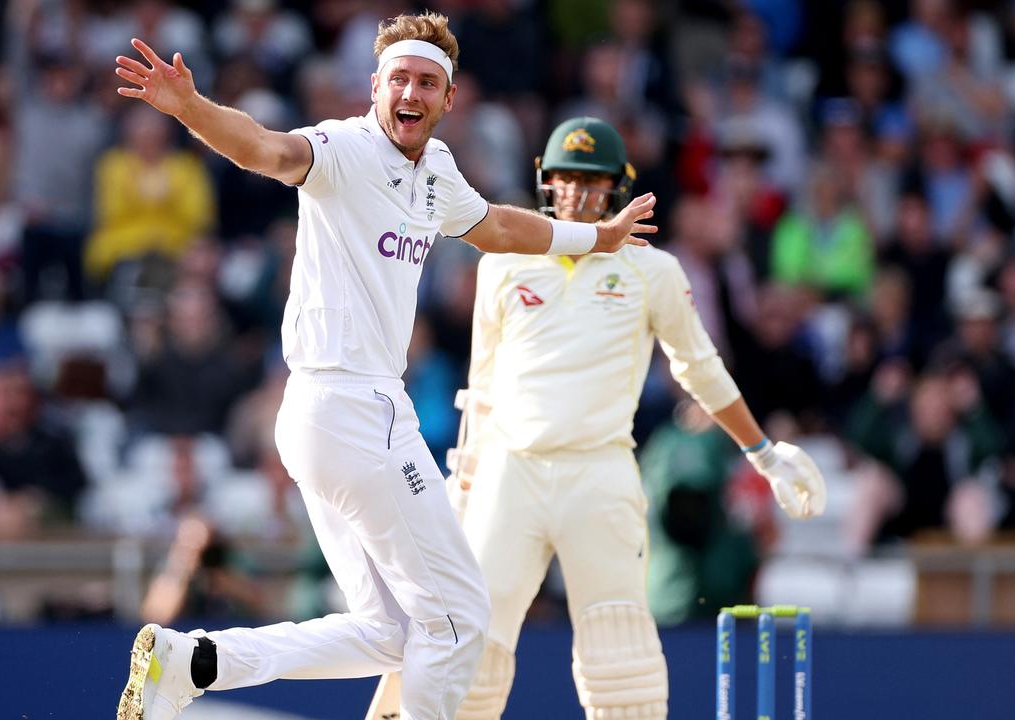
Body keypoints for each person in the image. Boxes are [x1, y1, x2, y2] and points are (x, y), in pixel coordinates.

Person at [111, 12, 659, 720]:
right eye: (399, 78)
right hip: (350, 409)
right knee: (461, 617)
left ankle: (194, 662)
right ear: (375, 86)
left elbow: (497, 227)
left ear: (448, 100)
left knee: (390, 633)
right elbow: (263, 150)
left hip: (335, 417)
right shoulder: (343, 148)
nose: (411, 91)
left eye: (427, 82)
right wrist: (190, 108)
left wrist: (596, 238)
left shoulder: (437, 171)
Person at [365, 118, 827, 720]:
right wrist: (466, 481)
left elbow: (700, 369)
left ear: (617, 189)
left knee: (621, 666)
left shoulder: (652, 270)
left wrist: (763, 452)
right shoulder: (502, 262)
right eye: (565, 180)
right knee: (467, 650)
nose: (578, 195)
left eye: (592, 182)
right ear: (545, 183)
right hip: (511, 473)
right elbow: (482, 386)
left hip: (600, 472)